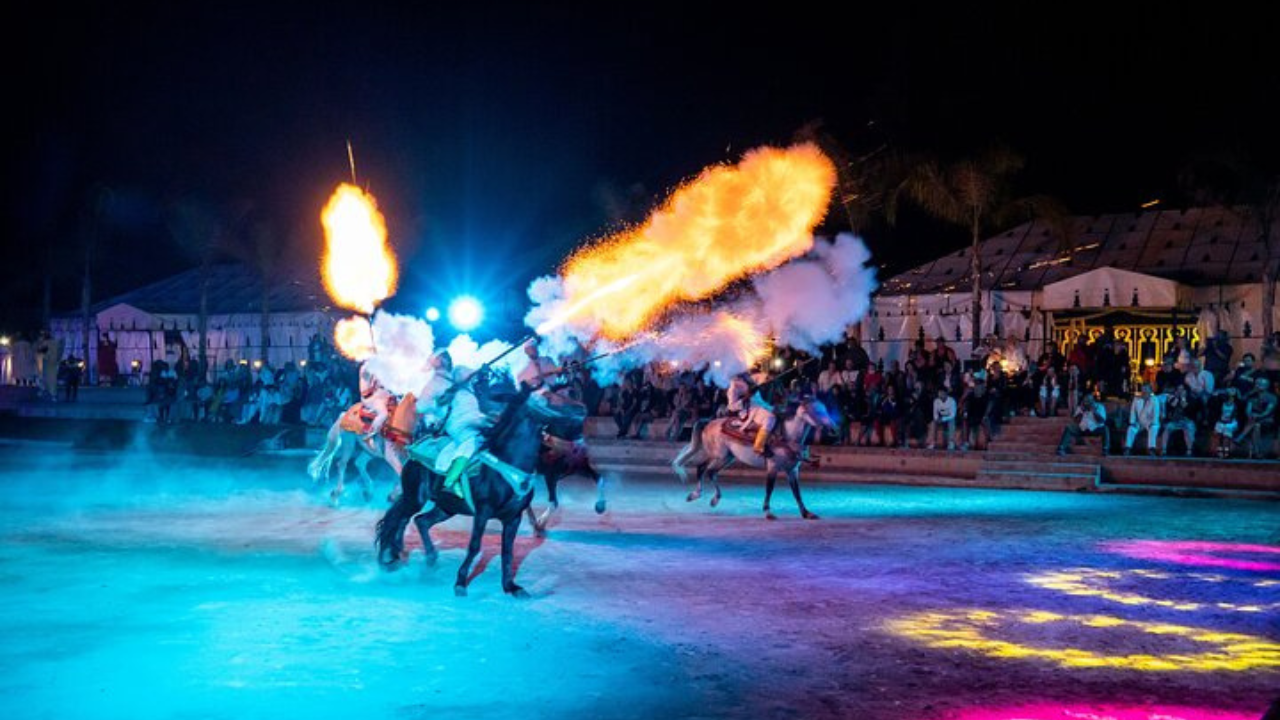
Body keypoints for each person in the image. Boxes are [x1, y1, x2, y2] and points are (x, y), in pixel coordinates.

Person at [1236, 377, 1277, 459]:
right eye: (1257, 384)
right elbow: (1248, 410)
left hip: (1267, 420)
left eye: (1260, 384)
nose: (1258, 386)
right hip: (1253, 420)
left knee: (1256, 423)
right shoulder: (1252, 397)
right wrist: (1251, 415)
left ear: (1266, 386)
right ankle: (1257, 452)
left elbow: (1267, 412)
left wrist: (1257, 416)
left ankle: (1241, 437)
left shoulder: (1272, 397)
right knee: (1256, 425)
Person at [1159, 384, 1197, 457]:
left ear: (1186, 391)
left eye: (1182, 389)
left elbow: (1187, 408)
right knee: (1167, 428)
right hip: (1175, 421)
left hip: (1187, 420)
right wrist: (1176, 398)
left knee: (1188, 429)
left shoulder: (1191, 399)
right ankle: (1163, 450)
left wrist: (1183, 398)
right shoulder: (1172, 399)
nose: (1180, 391)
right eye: (1178, 389)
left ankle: (1189, 450)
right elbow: (1171, 407)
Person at [1123, 383, 1160, 456]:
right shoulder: (1136, 399)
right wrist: (1132, 422)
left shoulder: (1154, 399)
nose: (1144, 391)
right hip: (1139, 422)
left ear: (1150, 391)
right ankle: (1128, 448)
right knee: (1131, 428)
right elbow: (1133, 411)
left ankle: (1151, 449)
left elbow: (1156, 413)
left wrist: (1153, 422)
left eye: (1146, 389)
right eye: (1143, 389)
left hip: (1150, 422)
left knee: (1154, 428)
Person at [1211, 388, 1242, 459]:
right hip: (1220, 421)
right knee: (1218, 434)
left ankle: (1226, 453)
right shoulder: (1220, 403)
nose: (1230, 397)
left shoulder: (1237, 404)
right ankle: (1218, 452)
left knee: (1226, 436)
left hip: (1231, 423)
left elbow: (1238, 415)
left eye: (1232, 396)